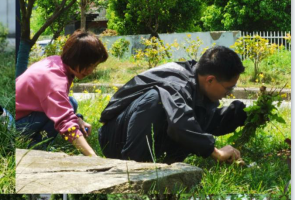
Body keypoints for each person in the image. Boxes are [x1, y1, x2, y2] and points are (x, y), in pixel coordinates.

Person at [98, 46, 247, 163]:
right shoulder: (177, 83)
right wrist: (216, 152)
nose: (230, 93)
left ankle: (165, 163)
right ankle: (135, 164)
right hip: (114, 137)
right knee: (156, 99)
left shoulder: (198, 83)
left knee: (189, 116)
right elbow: (179, 122)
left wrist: (242, 114)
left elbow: (205, 121)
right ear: (210, 80)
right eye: (229, 88)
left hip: (142, 131)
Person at [16, 30, 109, 156]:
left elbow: (61, 103)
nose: (91, 71)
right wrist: (92, 156)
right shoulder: (54, 79)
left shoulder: (57, 62)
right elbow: (64, 121)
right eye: (89, 65)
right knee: (61, 112)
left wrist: (77, 119)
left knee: (71, 103)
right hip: (15, 126)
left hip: (21, 116)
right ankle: (34, 149)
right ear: (77, 59)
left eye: (94, 66)